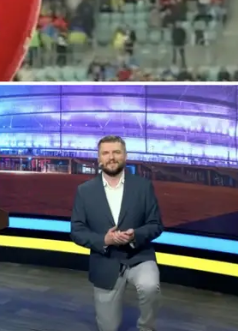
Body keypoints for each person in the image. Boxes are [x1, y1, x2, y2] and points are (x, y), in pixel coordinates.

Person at [70, 135, 164, 331]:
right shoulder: (85, 191)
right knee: (108, 328)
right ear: (99, 158)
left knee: (149, 286)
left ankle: (146, 328)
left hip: (139, 256)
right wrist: (104, 240)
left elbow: (156, 224)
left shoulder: (143, 187)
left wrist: (135, 235)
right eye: (105, 153)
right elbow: (77, 231)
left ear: (125, 156)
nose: (111, 157)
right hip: (105, 260)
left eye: (116, 152)